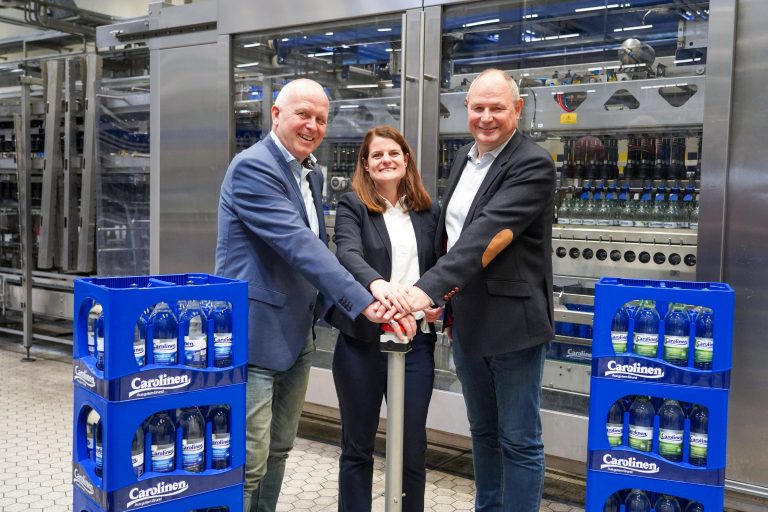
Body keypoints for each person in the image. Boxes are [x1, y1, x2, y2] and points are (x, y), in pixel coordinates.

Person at [215, 79, 413, 512]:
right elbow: (298, 245)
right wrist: (365, 300)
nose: (312, 125)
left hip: (295, 335)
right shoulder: (254, 167)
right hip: (255, 334)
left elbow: (316, 246)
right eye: (303, 114)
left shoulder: (310, 172)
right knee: (248, 459)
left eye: (321, 118)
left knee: (281, 448)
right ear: (276, 114)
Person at [404, 69, 556, 511]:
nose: (486, 117)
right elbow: (451, 234)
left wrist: (426, 290)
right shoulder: (464, 158)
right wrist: (442, 299)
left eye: (497, 108)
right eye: (478, 108)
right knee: (483, 432)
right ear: (465, 110)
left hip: (513, 326)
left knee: (519, 439)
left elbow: (487, 236)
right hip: (467, 321)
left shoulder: (531, 162)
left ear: (518, 110)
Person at [328, 126, 441, 512]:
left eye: (393, 153)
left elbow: (442, 269)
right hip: (362, 343)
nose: (386, 160)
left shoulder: (429, 211)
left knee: (412, 447)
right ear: (366, 164)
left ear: (406, 159)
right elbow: (347, 254)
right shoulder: (353, 205)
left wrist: (433, 303)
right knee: (357, 446)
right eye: (376, 155)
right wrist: (380, 287)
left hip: (416, 343)